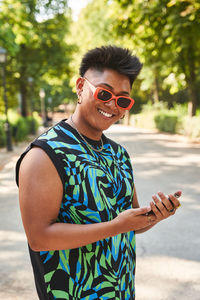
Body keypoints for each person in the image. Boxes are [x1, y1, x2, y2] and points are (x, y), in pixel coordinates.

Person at [16, 45, 181, 300]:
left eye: (123, 100)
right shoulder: (45, 154)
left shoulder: (119, 154)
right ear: (81, 87)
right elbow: (39, 238)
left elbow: (129, 224)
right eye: (104, 93)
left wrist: (154, 216)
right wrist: (115, 226)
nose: (112, 105)